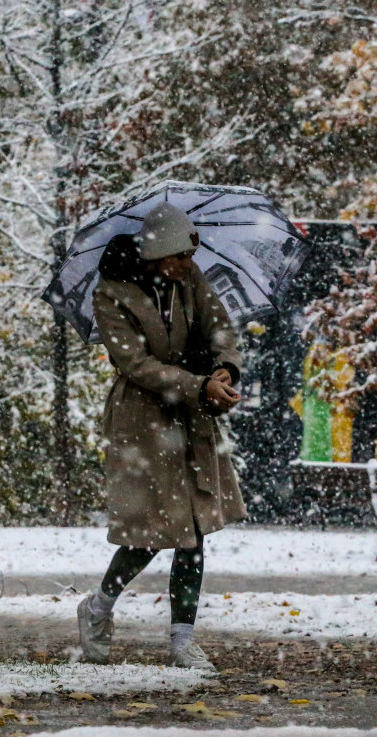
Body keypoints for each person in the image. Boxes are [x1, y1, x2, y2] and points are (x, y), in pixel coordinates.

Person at [76, 201, 246, 673]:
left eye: (190, 256)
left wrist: (224, 369)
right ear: (156, 254)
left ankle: (182, 641)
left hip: (191, 417)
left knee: (193, 527)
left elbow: (220, 329)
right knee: (149, 533)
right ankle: (98, 607)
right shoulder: (111, 294)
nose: (189, 265)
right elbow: (136, 365)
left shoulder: (189, 280)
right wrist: (197, 384)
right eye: (180, 257)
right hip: (143, 420)